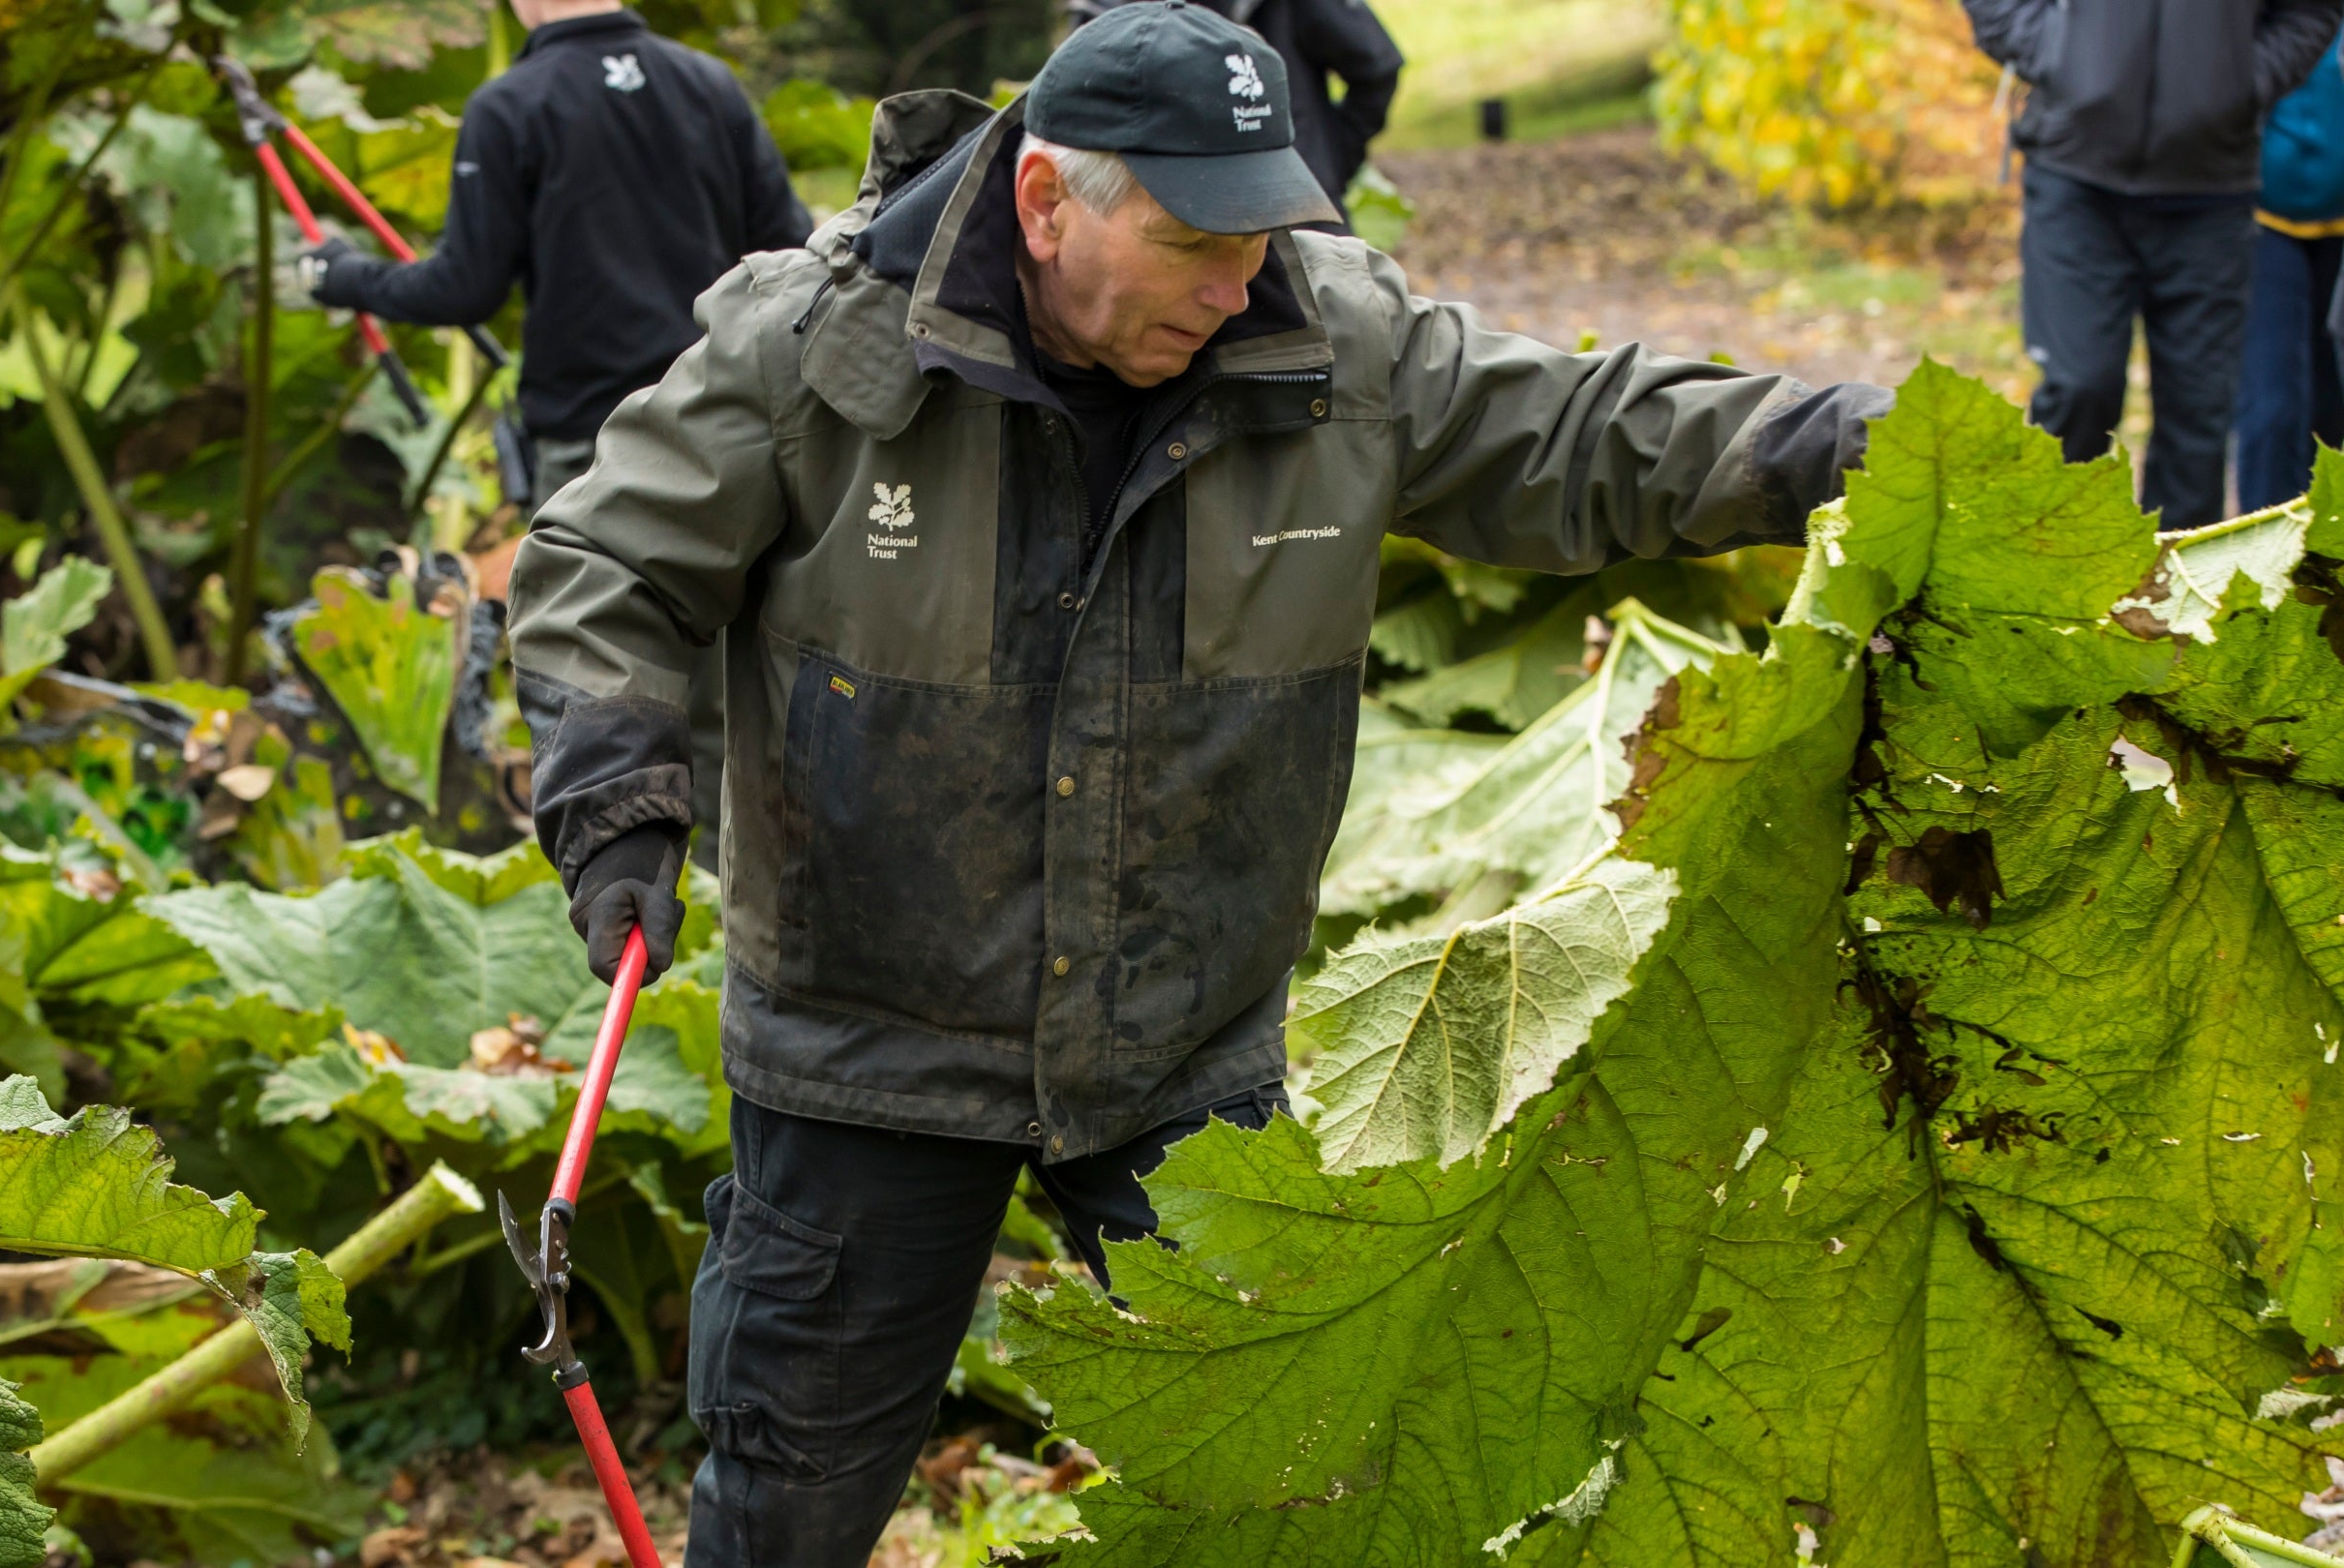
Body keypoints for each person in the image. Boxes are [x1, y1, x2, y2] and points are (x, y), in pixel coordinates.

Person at [507, 5, 1890, 1562]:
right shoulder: (816, 348)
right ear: (1044, 202)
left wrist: (1833, 442)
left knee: (1287, 1490)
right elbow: (605, 560)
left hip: (1185, 1042)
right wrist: (614, 790)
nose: (1239, 284)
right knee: (787, 1502)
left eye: (1262, 235)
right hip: (864, 1043)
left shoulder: (1328, 347)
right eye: (1191, 243)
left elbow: (1581, 434)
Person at [301, 0, 813, 848]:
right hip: (730, 431)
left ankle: (626, 902)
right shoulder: (708, 85)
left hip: (598, 451)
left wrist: (344, 275)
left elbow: (464, 288)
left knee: (602, 691)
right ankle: (735, 908)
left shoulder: (512, 105)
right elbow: (795, 252)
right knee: (730, 692)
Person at [1962, 0, 2344, 528]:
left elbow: (2313, 10)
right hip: (2076, 174)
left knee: (2198, 415)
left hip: (2211, 189)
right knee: (2080, 387)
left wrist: (2241, 84)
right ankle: (2051, 573)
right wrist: (2055, 54)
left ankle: (2173, 600)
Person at [1072, 0, 1403, 211]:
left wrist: (1329, 161)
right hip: (1156, 226)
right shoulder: (1099, 10)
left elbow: (1376, 66)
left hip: (1293, 214)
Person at [2247, 35, 2344, 509]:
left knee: (2332, 409)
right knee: (2272, 407)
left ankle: (2328, 559)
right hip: (2261, 216)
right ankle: (2264, 557)